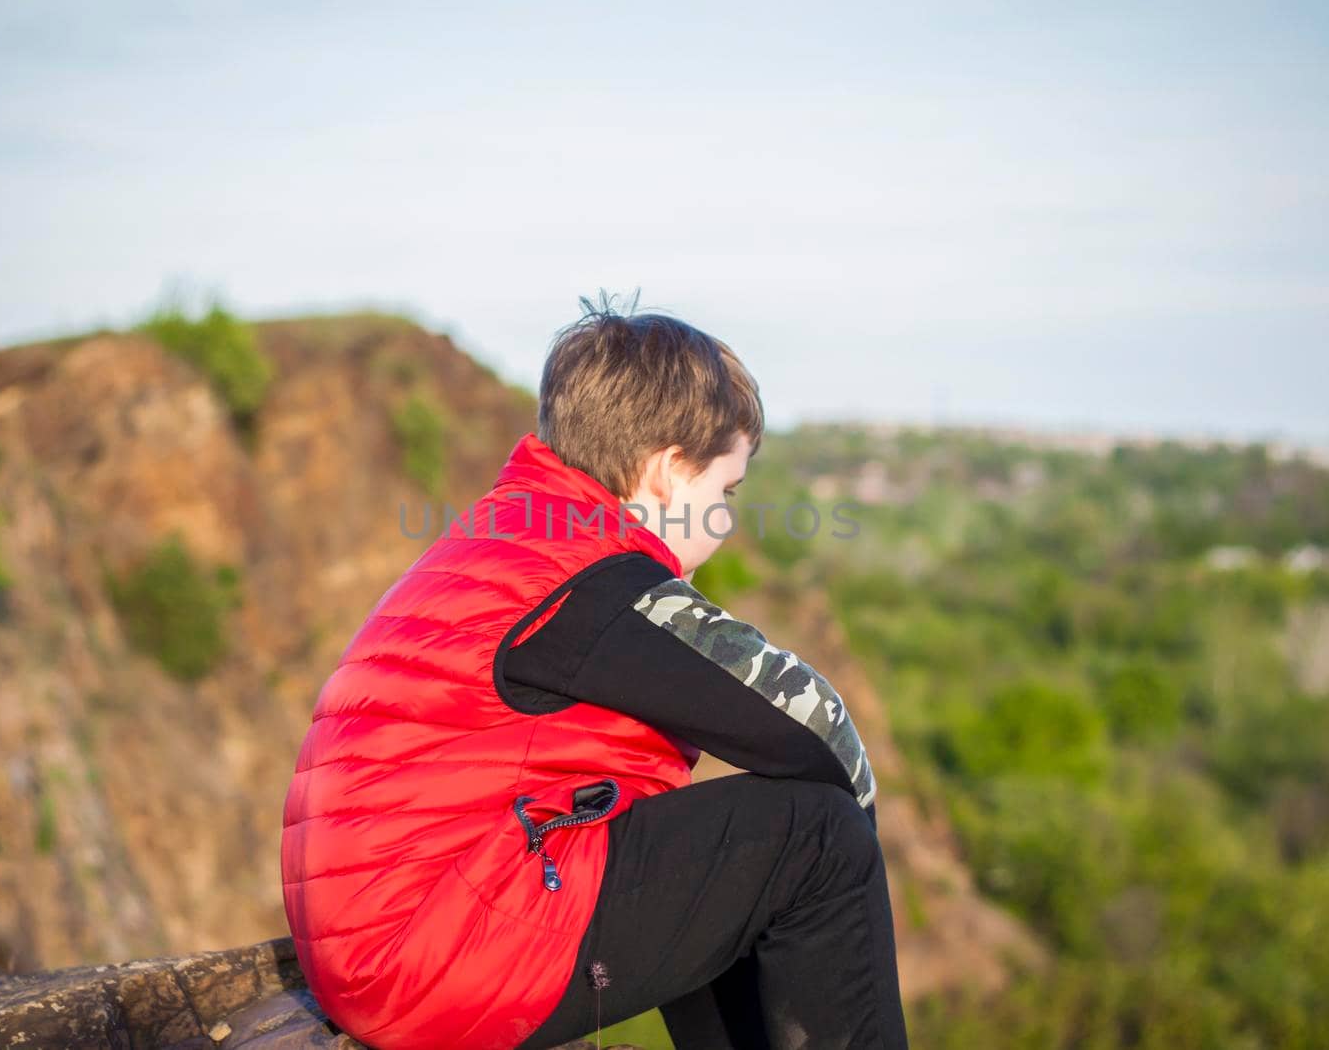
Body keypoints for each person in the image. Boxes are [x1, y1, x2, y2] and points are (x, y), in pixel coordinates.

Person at [280, 292, 910, 1050]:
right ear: (669, 472)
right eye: (726, 489)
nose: (729, 518)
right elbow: (816, 726)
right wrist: (854, 869)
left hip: (391, 938)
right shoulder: (591, 581)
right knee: (820, 837)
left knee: (724, 849)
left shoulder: (514, 539)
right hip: (430, 955)